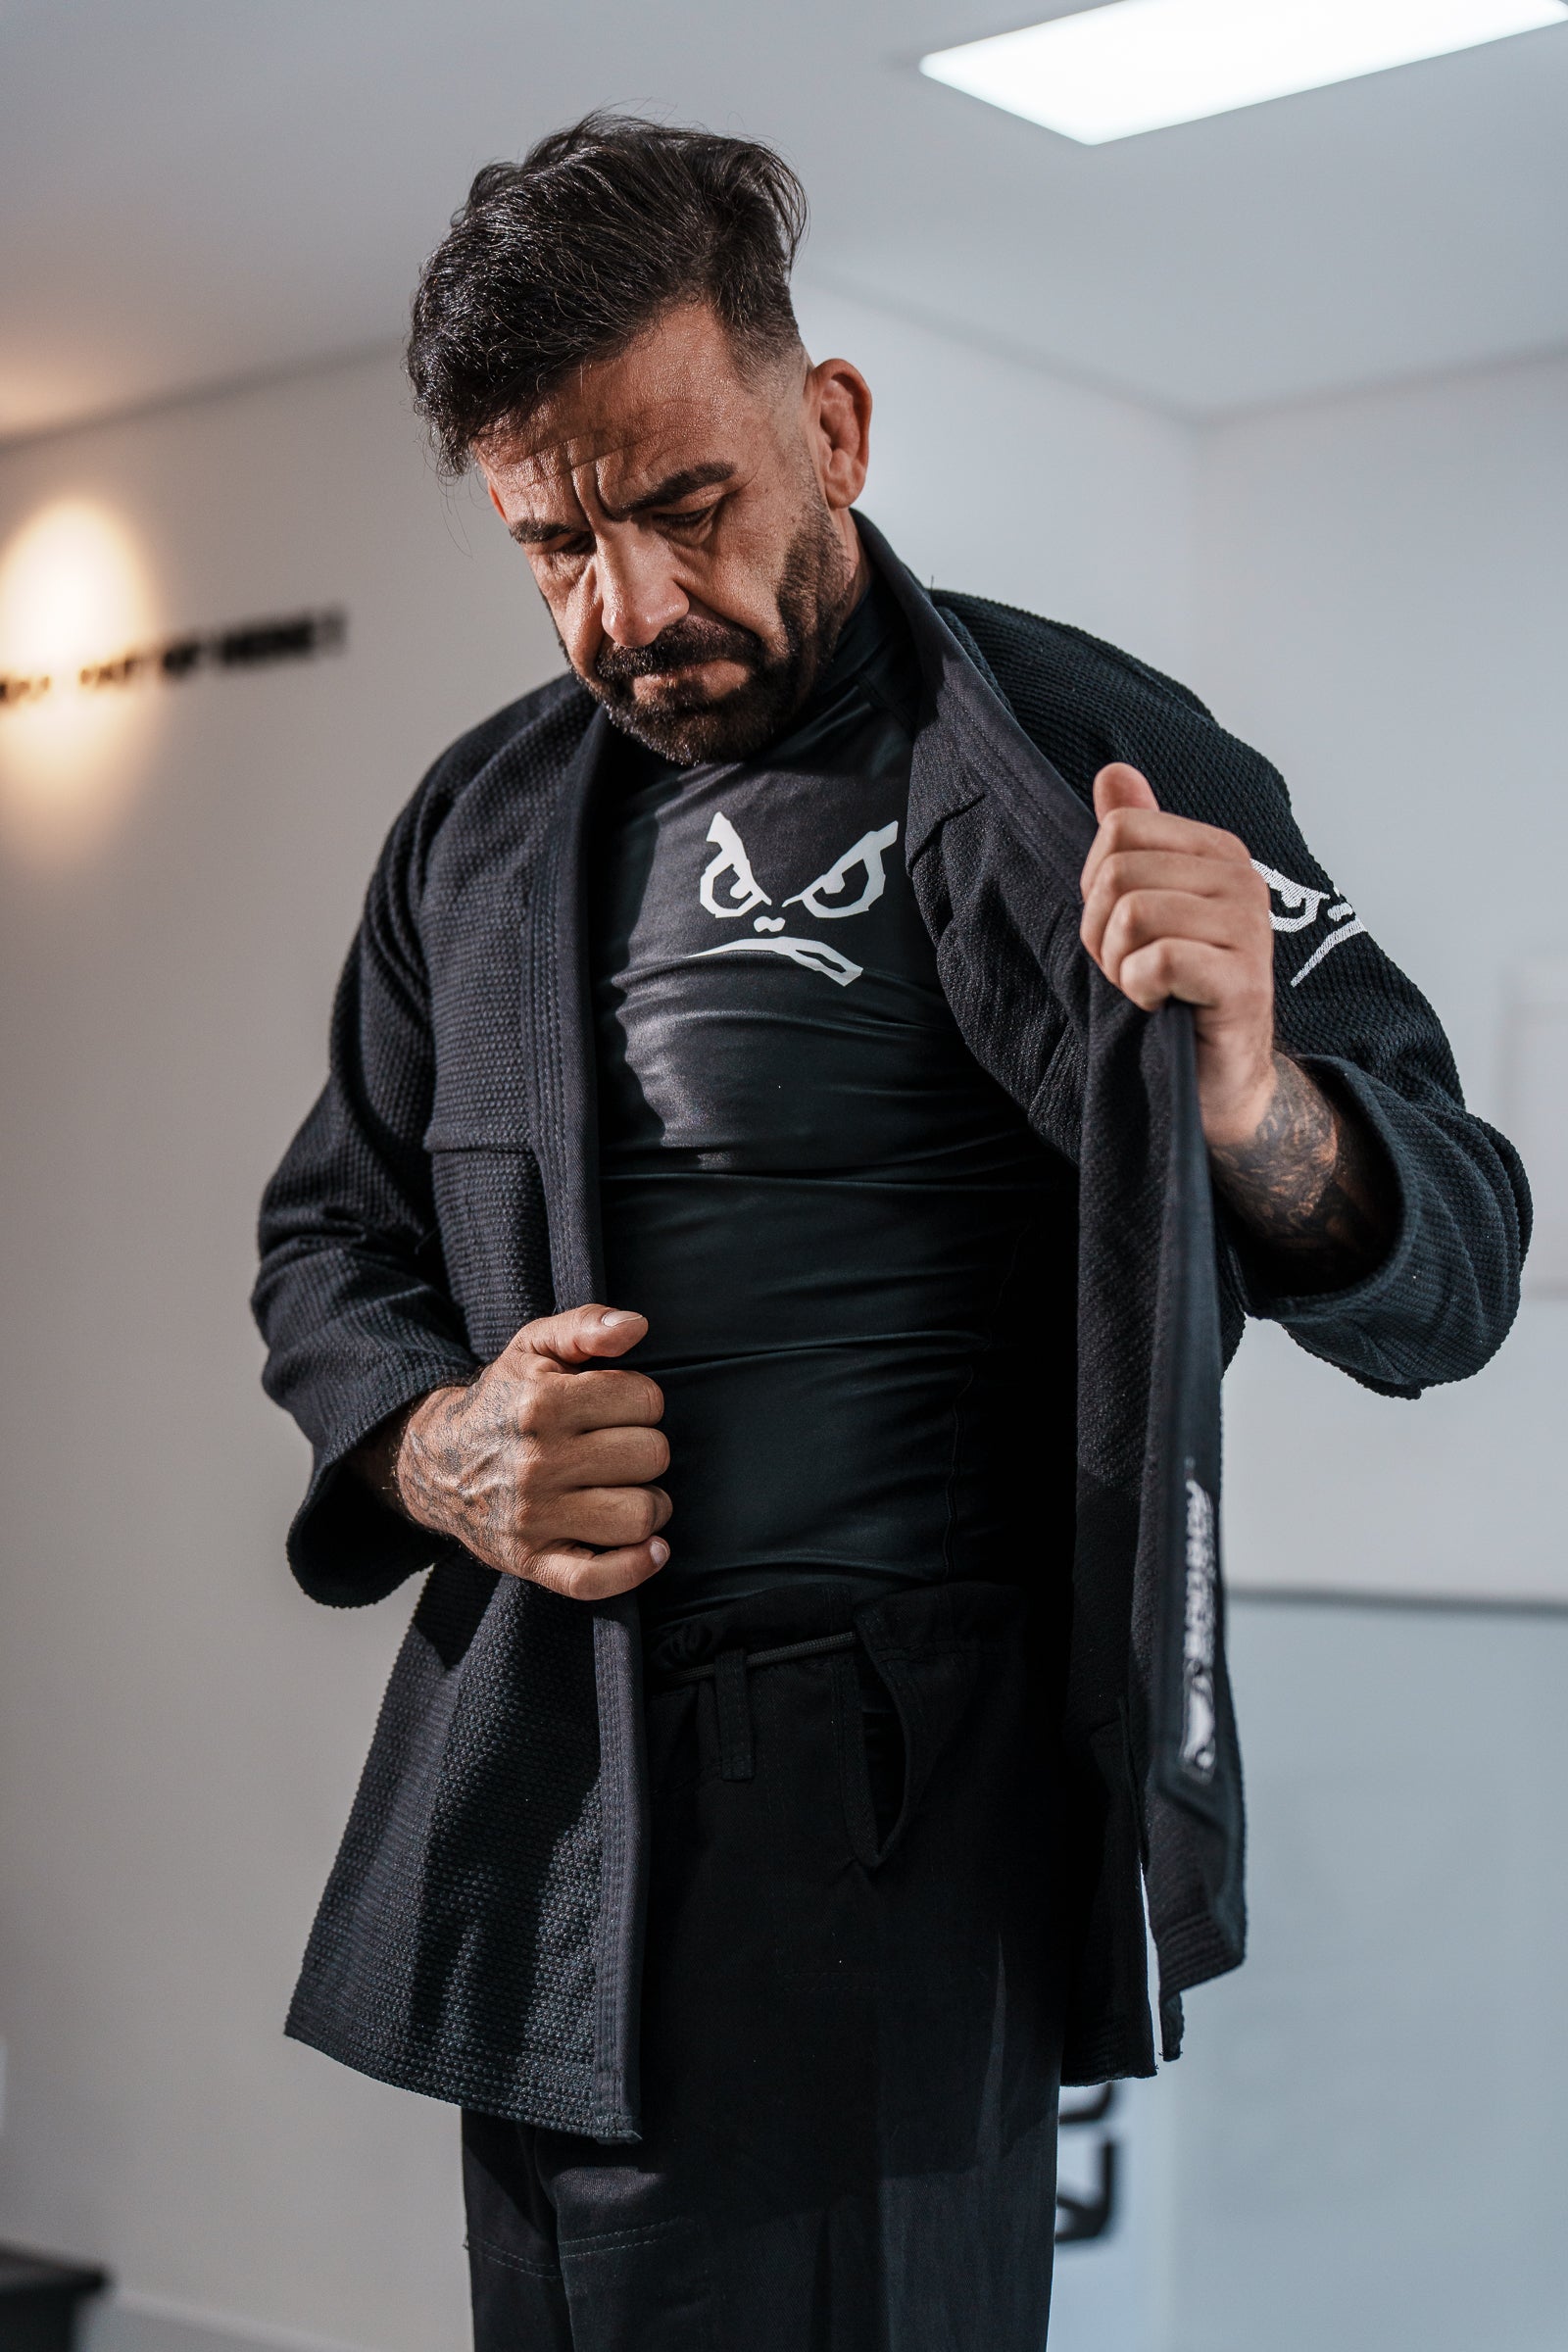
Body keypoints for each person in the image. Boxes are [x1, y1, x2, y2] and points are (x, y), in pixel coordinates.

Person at [252, 115, 1528, 2352]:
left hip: (905, 1798)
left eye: (685, 506)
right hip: (556, 1790)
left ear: (826, 428)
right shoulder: (476, 828)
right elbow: (325, 1244)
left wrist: (1253, 1093)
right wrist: (442, 1448)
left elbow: (1458, 1264)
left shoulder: (1092, 748)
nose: (630, 609)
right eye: (555, 546)